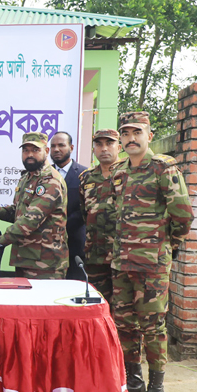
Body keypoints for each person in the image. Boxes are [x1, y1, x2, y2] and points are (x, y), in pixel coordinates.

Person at [111, 112, 193, 392]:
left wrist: (166, 245)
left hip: (152, 265)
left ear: (149, 134)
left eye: (137, 132)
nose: (131, 138)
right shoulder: (119, 172)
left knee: (153, 326)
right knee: (125, 325)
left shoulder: (163, 168)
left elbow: (182, 214)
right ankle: (133, 384)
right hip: (122, 263)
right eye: (126, 133)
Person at [0, 132, 68, 279]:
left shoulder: (50, 181)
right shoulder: (26, 178)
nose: (29, 154)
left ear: (46, 151)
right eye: (25, 150)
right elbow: (19, 212)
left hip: (45, 263)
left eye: (35, 150)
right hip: (25, 258)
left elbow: (31, 219)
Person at [78, 129, 122, 303]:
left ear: (119, 147)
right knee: (96, 303)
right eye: (99, 144)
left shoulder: (129, 174)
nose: (104, 148)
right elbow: (85, 213)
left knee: (122, 309)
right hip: (94, 254)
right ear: (93, 149)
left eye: (109, 143)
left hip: (122, 255)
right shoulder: (86, 178)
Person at [50, 131, 87, 280]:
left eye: (61, 145)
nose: (56, 149)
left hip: (75, 246)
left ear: (71, 147)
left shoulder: (84, 174)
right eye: (53, 146)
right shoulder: (45, 174)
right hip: (48, 249)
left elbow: (84, 208)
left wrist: (60, 226)